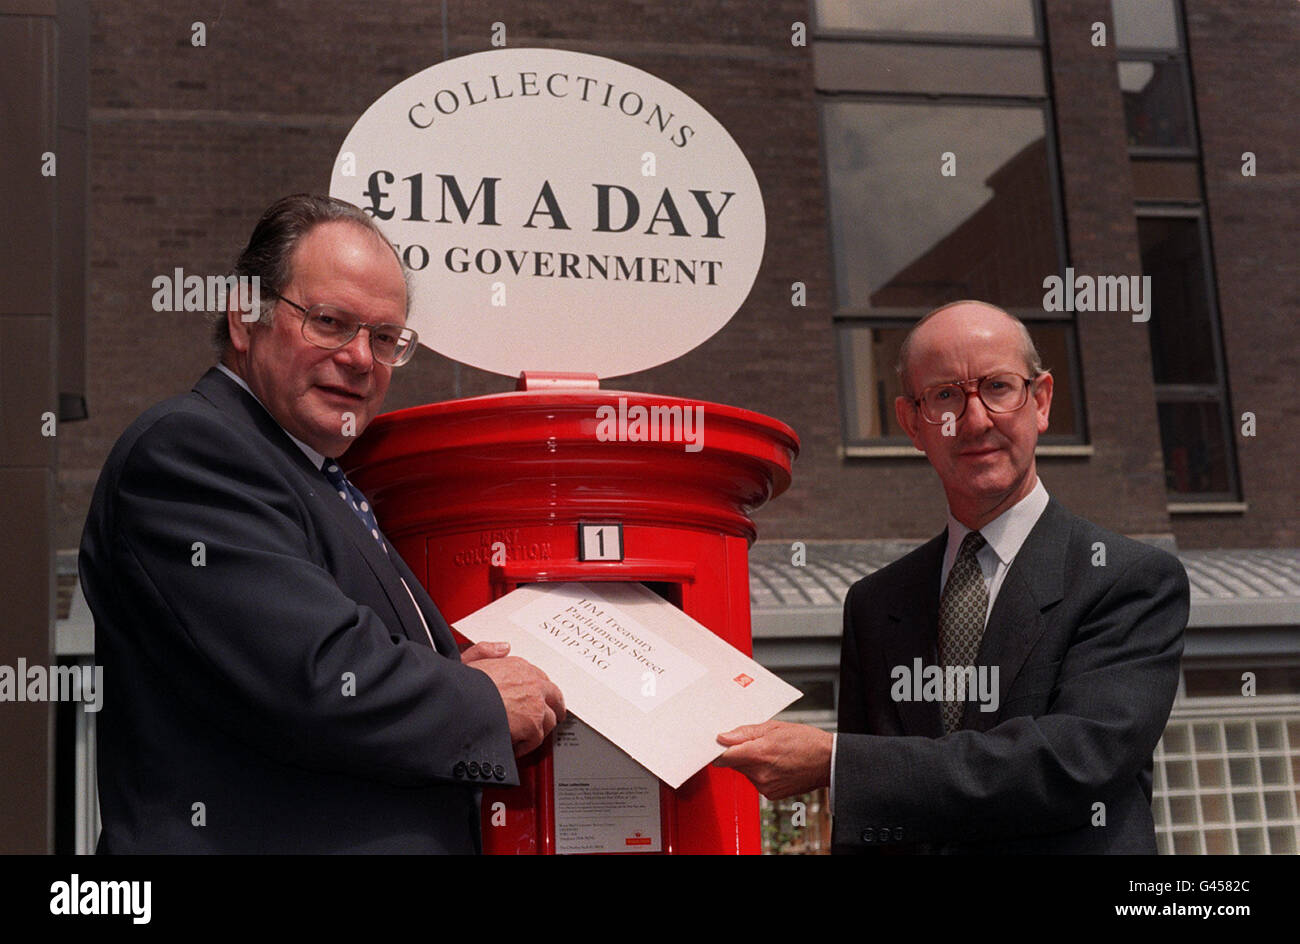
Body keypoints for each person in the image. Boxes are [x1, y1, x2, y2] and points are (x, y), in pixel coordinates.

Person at [79, 194, 564, 853]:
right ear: (246, 319)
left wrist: (454, 669)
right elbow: (313, 671)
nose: (361, 358)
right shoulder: (191, 450)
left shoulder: (317, 476)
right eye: (331, 322)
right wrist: (476, 699)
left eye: (386, 338)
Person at [716, 300, 1188, 853]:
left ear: (1041, 401)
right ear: (913, 424)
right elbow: (867, 827)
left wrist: (837, 761)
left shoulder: (1128, 579)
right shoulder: (875, 603)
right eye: (944, 396)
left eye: (998, 387)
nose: (975, 420)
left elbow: (1074, 762)